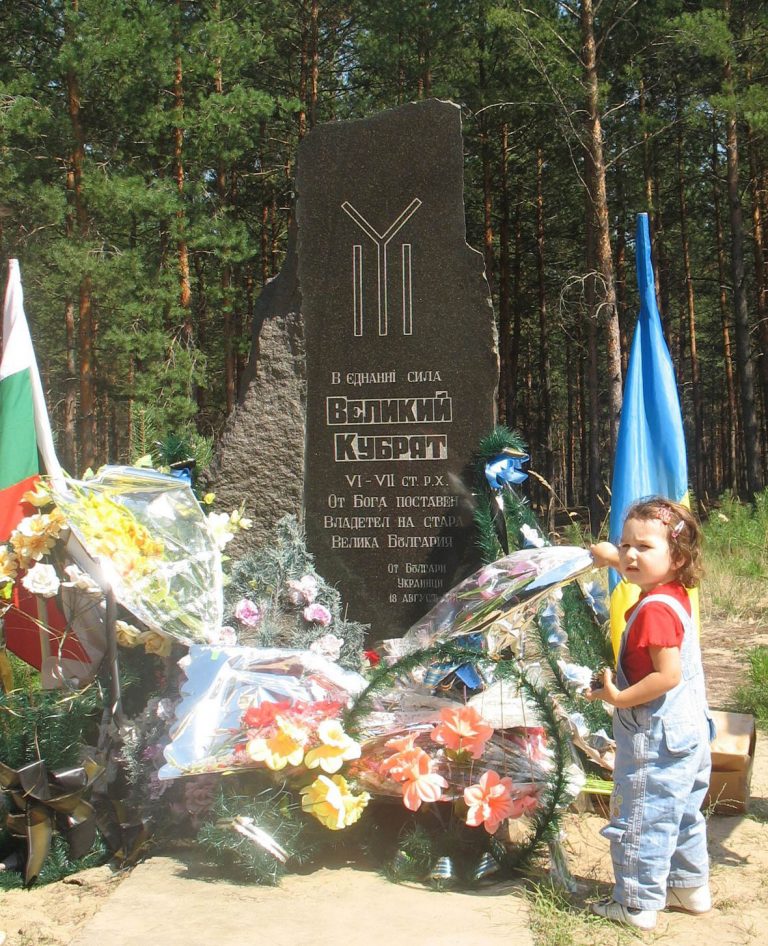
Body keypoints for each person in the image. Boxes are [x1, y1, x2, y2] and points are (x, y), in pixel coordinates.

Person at [585, 496, 713, 931]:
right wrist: (610, 556)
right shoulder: (672, 593)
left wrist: (617, 697)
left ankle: (637, 903)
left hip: (655, 739)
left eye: (643, 547)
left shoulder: (653, 611)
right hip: (689, 733)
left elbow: (667, 676)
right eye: (626, 545)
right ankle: (687, 887)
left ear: (677, 557)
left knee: (641, 815)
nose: (630, 555)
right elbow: (636, 564)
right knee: (681, 812)